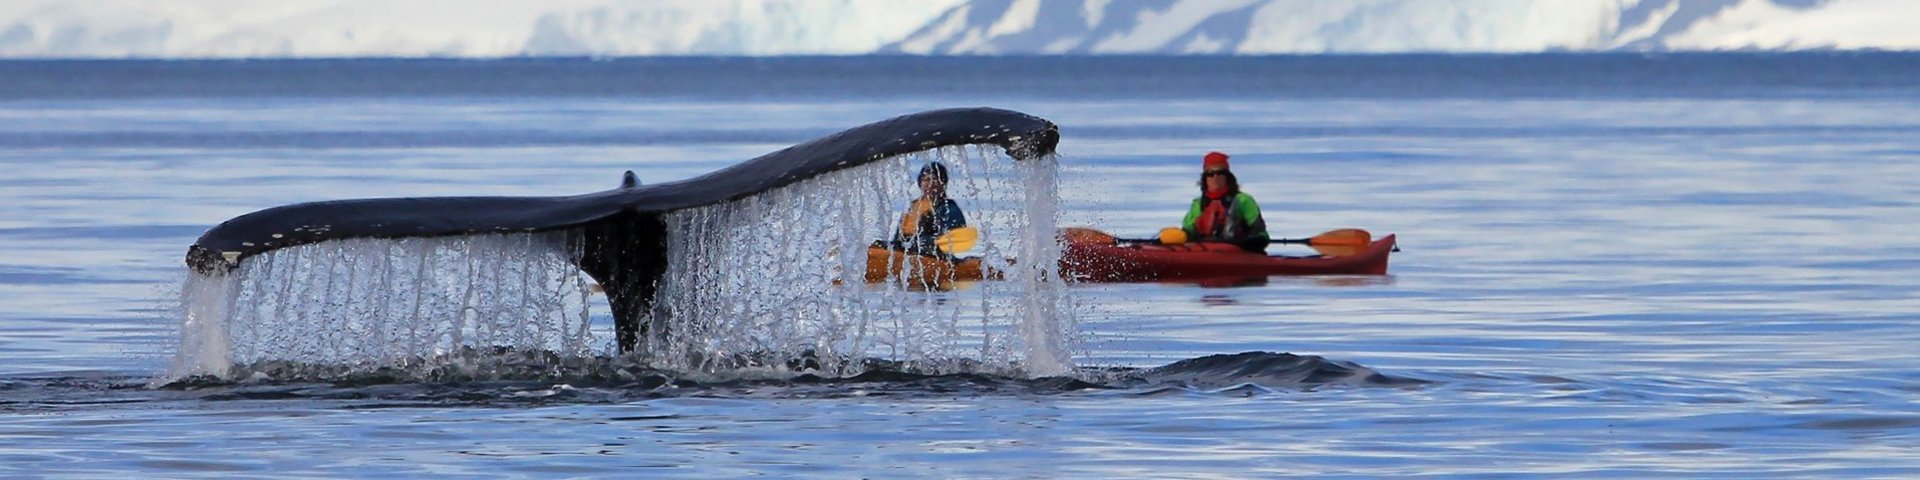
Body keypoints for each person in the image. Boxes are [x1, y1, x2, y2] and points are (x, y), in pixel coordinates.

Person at [1181, 151, 1269, 252]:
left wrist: (1247, 241)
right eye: (1210, 174)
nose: (1215, 177)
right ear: (1205, 179)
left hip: (1239, 252)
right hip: (1204, 251)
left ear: (1227, 177)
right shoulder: (1198, 204)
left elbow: (1261, 234)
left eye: (1220, 173)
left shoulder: (1243, 200)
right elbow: (1188, 230)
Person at [891, 161, 966, 254]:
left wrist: (922, 241)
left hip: (937, 258)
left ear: (943, 184)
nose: (931, 184)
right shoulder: (912, 207)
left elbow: (954, 240)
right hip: (907, 254)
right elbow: (898, 238)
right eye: (926, 179)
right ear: (920, 183)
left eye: (935, 179)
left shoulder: (949, 208)